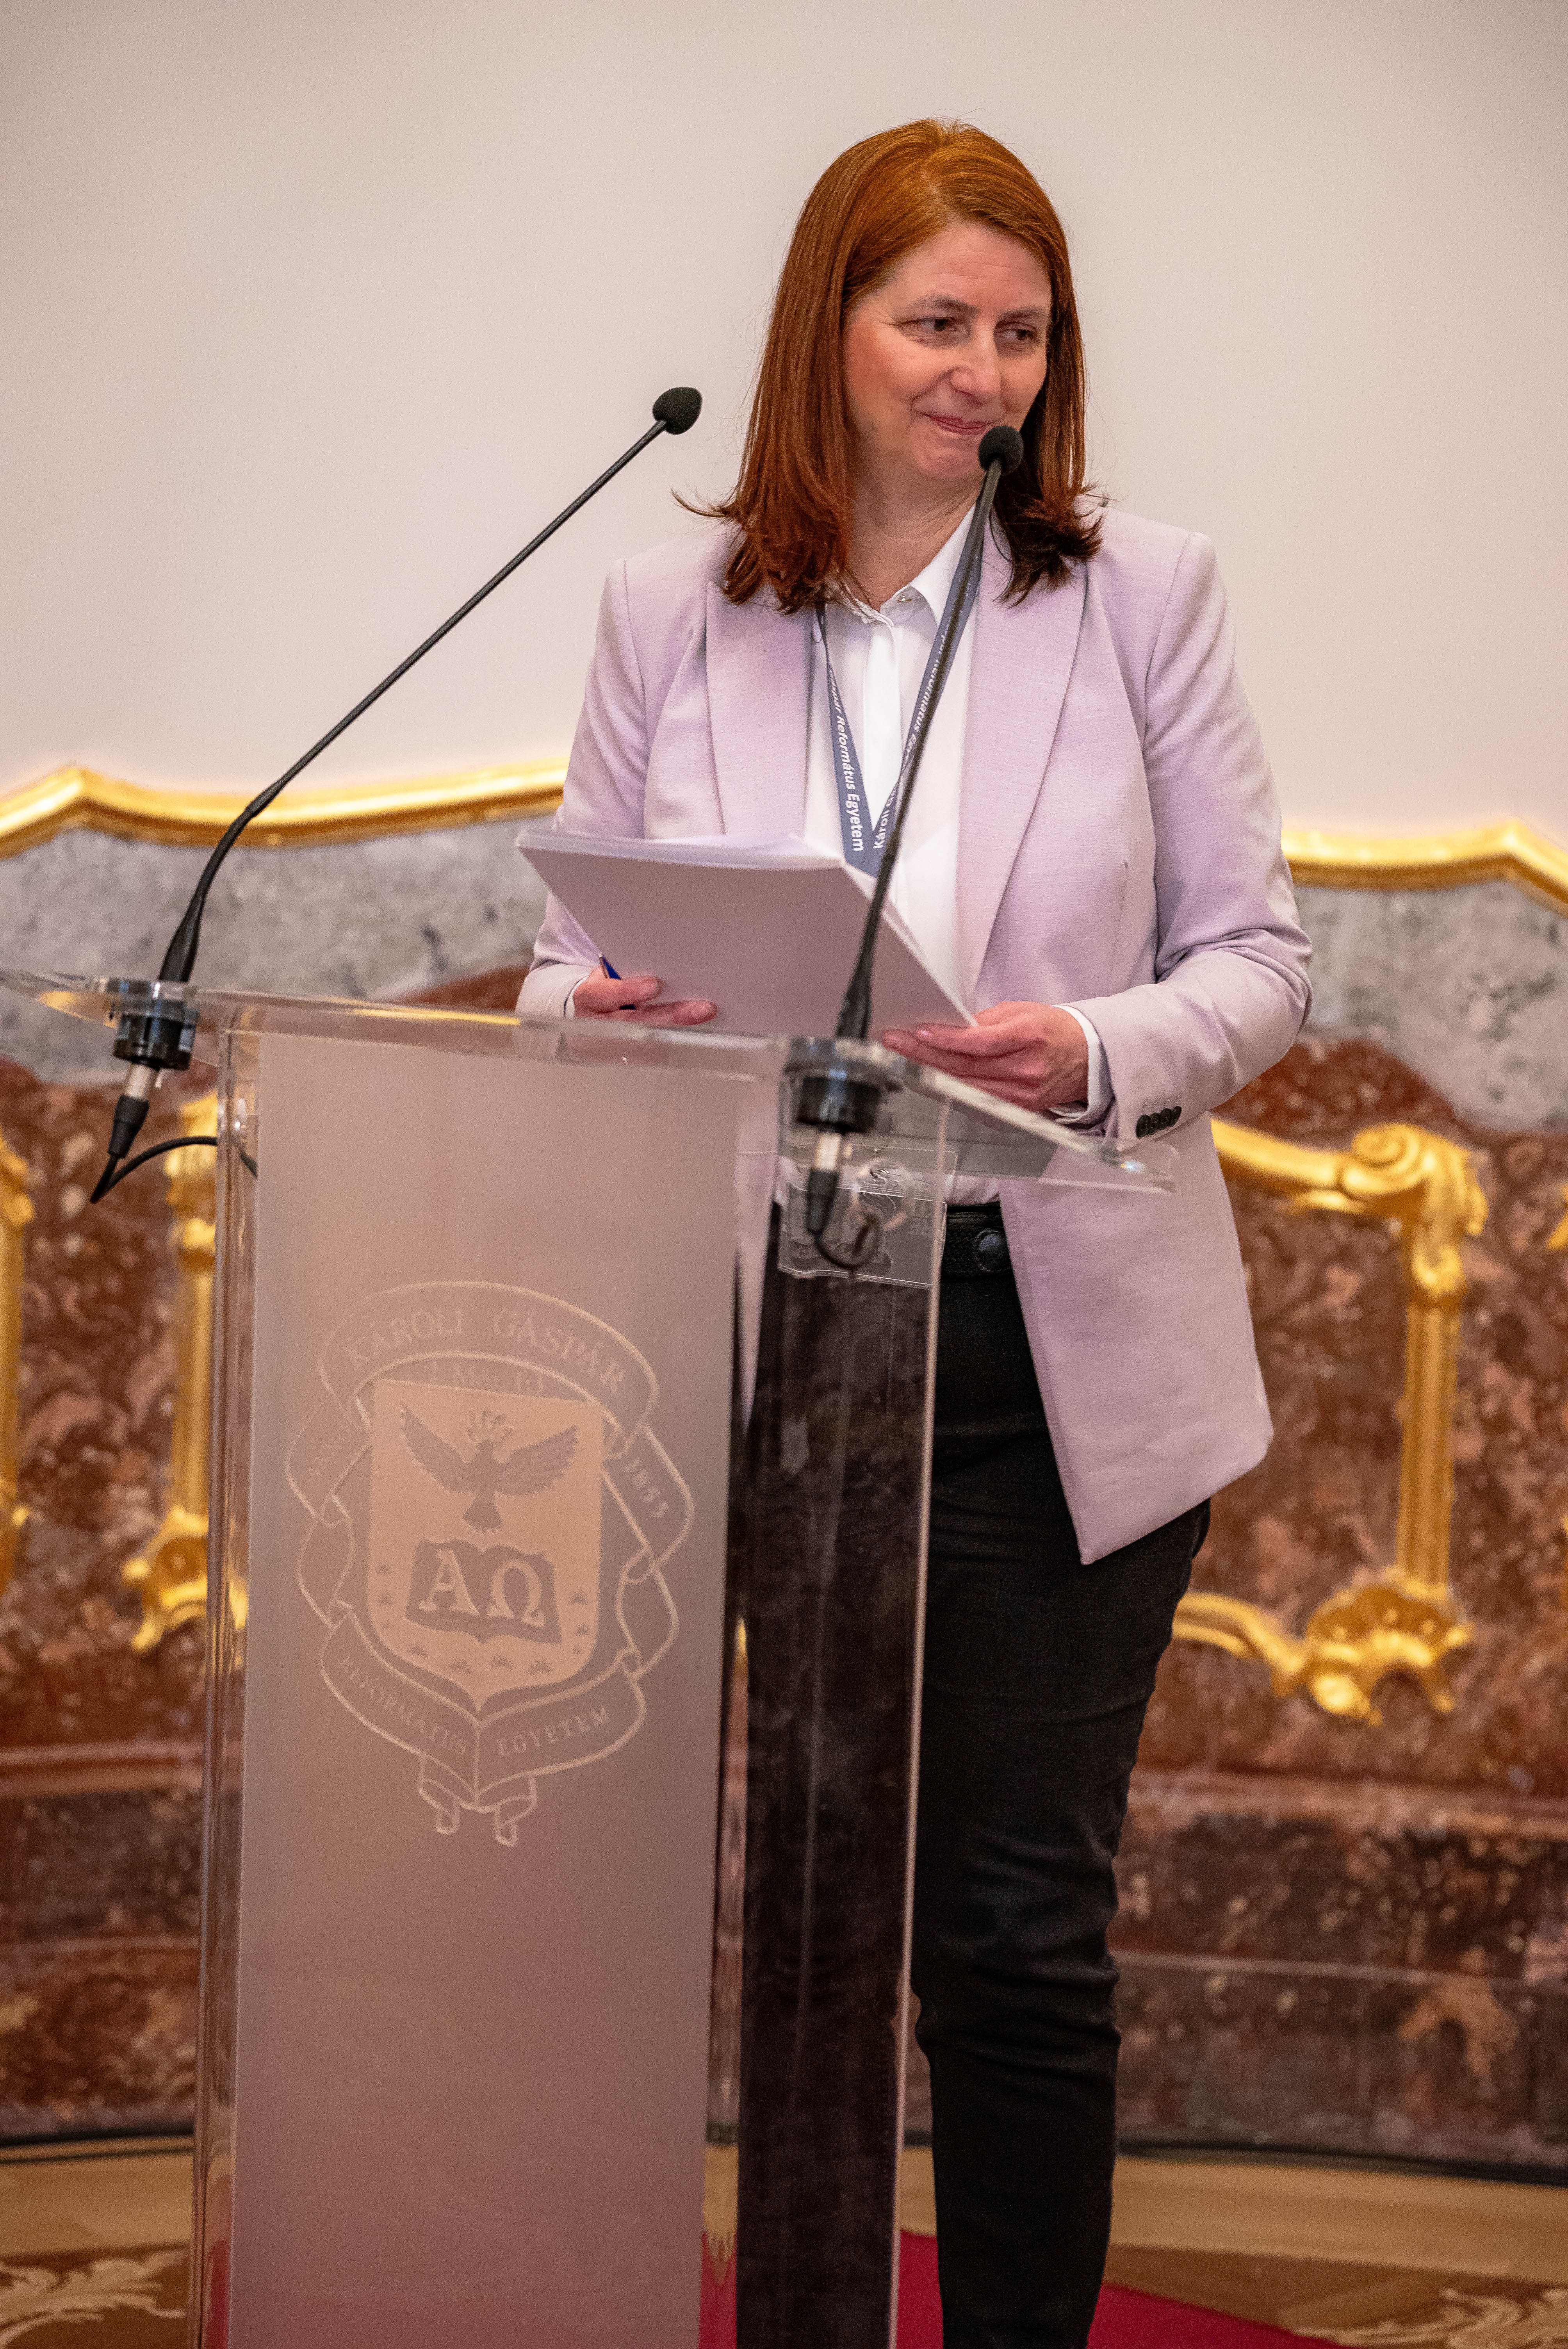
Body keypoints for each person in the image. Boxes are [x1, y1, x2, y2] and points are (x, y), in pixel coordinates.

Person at [520, 118, 1310, 2349]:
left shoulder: (1138, 592)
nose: (984, 371)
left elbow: (1261, 961)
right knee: (798, 1927)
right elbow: (570, 957)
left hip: (1042, 1354)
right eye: (936, 323)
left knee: (1009, 1935)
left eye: (1022, 332)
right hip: (755, 1340)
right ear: (829, 334)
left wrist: (1098, 1041)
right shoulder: (670, 607)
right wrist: (603, 1007)